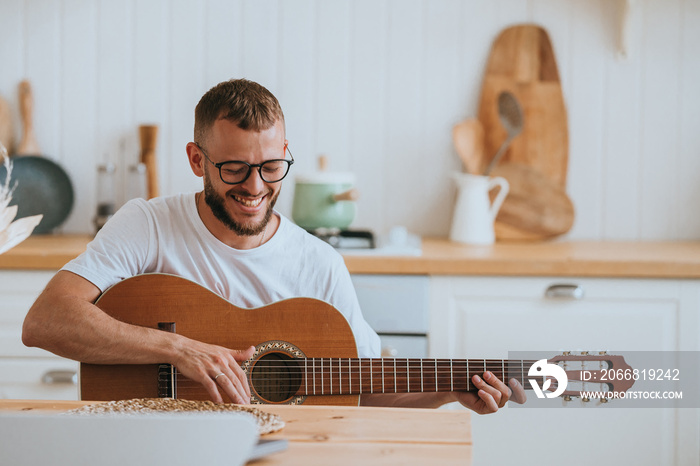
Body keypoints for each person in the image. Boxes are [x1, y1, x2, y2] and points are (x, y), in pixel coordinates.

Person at [22, 78, 524, 413]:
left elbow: (365, 387)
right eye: (234, 168)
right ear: (198, 160)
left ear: (285, 154)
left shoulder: (320, 264)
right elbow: (45, 321)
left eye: (270, 167)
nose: (256, 187)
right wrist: (179, 349)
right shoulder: (147, 225)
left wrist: (451, 389)